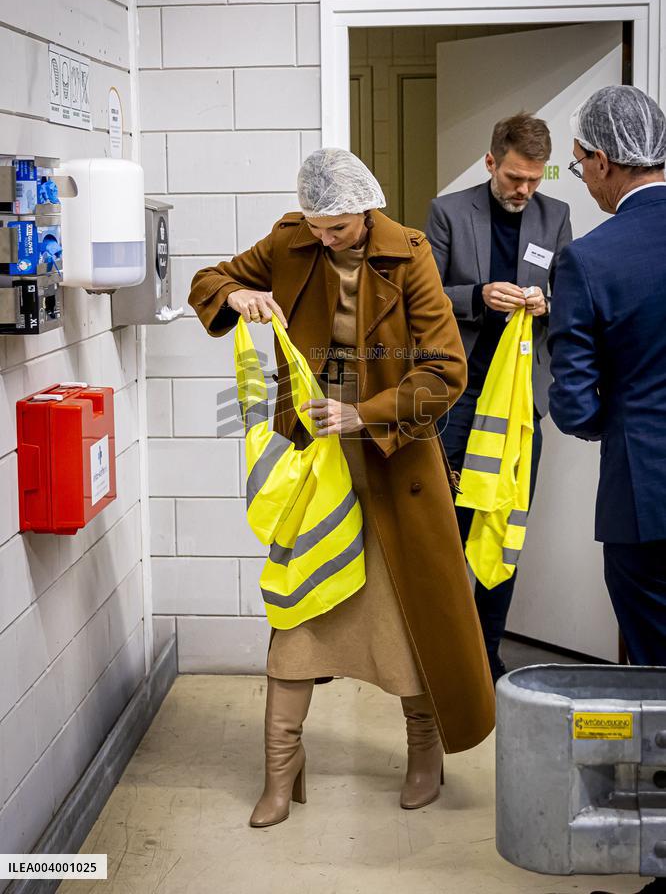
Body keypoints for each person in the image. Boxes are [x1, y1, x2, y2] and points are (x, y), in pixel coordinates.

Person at [189, 148, 495, 829]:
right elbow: (209, 279)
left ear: (365, 209)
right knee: (297, 618)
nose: (322, 239)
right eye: (316, 226)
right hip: (313, 467)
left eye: (337, 228)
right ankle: (279, 770)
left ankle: (425, 756)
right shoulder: (289, 237)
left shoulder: (409, 253)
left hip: (395, 469)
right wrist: (234, 295)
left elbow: (447, 370)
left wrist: (364, 412)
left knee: (408, 623)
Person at [548, 85, 666, 894]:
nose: (581, 182)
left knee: (660, 685)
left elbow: (579, 409)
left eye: (579, 165)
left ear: (601, 161)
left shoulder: (589, 260)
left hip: (648, 504)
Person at [426, 114, 573, 681]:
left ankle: (486, 654)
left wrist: (548, 306)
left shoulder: (555, 216)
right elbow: (424, 299)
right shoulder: (447, 212)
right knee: (451, 527)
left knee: (503, 527)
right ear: (491, 162)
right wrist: (477, 296)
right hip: (458, 398)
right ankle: (444, 650)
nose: (524, 190)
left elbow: (571, 300)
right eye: (514, 177)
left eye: (534, 180)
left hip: (519, 404)